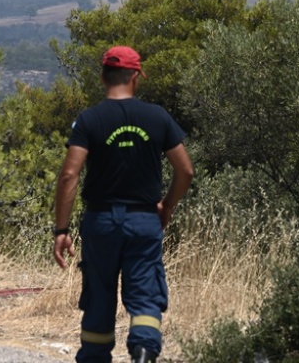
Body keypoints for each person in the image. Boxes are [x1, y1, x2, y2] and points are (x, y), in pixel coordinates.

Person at [53, 46, 195, 363]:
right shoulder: (157, 117)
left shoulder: (89, 120)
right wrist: (167, 206)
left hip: (101, 223)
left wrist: (61, 229)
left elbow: (69, 176)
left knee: (99, 296)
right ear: (135, 77)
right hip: (144, 221)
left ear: (103, 77)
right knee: (145, 294)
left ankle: (94, 357)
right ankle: (143, 354)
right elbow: (185, 169)